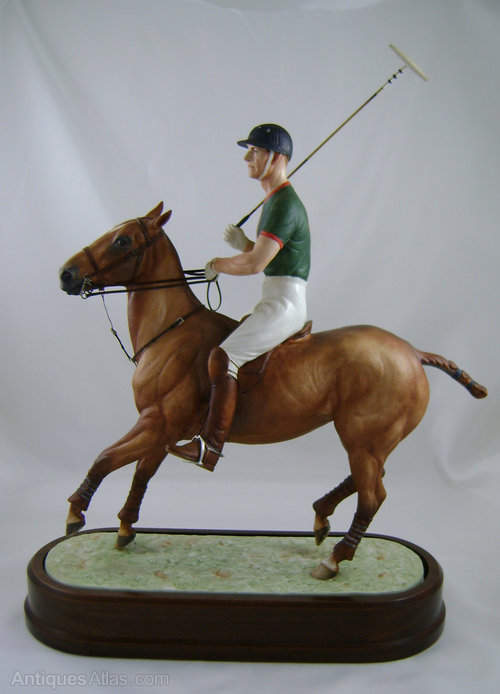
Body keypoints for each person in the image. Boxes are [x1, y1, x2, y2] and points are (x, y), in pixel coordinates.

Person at [168, 124, 311, 470]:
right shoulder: (275, 201)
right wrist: (245, 244)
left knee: (224, 356)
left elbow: (256, 264)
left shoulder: (284, 204)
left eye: (255, 151)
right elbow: (268, 258)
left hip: (285, 303)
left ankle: (210, 446)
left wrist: (218, 263)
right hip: (275, 297)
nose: (248, 158)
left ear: (276, 158)